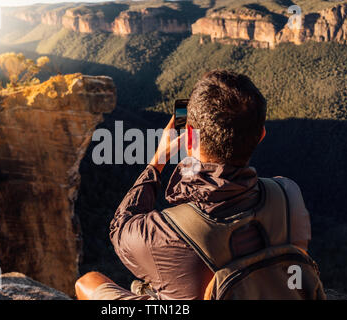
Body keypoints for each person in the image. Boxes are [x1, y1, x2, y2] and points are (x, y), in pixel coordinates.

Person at [75, 70, 316, 300]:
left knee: (88, 282)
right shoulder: (289, 194)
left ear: (189, 137)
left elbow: (120, 228)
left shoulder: (163, 235)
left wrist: (157, 162)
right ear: (261, 135)